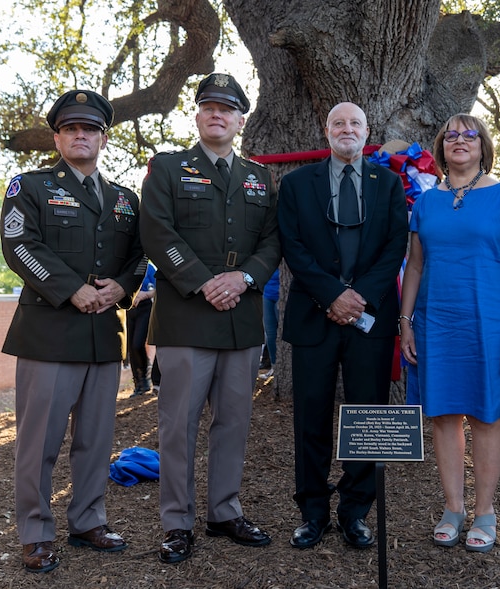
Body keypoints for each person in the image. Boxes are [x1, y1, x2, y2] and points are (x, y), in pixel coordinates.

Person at [0, 90, 143, 573]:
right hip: (49, 333)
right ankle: (36, 533)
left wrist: (119, 287)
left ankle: (87, 520)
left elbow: (140, 257)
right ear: (58, 137)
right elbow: (19, 245)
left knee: (96, 440)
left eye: (90, 129)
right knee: (39, 442)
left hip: (104, 334)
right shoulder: (30, 186)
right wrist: (71, 289)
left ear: (104, 137)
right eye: (71, 129)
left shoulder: (126, 199)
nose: (81, 136)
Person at [140, 73, 281, 563]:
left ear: (241, 120)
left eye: (227, 108)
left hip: (241, 321)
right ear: (197, 116)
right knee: (177, 425)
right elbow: (156, 232)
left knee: (234, 423)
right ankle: (176, 522)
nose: (216, 114)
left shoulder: (260, 177)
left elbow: (272, 242)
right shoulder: (168, 168)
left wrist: (242, 279)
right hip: (185, 319)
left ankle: (224, 511)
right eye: (208, 107)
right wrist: (204, 281)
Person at [398, 114, 500, 553]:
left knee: (486, 415)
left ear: (483, 146)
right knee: (443, 415)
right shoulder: (425, 203)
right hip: (436, 320)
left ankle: (485, 512)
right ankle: (453, 507)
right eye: (450, 135)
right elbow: (415, 266)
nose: (459, 141)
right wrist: (405, 322)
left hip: (492, 323)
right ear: (440, 148)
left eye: (468, 134)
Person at [278, 102, 408, 549]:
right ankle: (312, 512)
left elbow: (394, 248)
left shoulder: (389, 184)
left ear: (366, 131)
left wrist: (359, 298)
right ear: (326, 130)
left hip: (369, 321)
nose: (346, 129)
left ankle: (355, 511)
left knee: (367, 416)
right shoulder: (296, 184)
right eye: (338, 123)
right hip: (314, 314)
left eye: (354, 123)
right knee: (310, 419)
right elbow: (292, 247)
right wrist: (332, 295)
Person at [127, 260, 156, 396]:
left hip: (144, 308)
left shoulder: (149, 267)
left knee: (138, 343)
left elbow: (157, 289)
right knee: (131, 348)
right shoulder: (126, 265)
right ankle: (138, 383)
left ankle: (145, 377)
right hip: (128, 309)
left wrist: (145, 294)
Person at [260, 268, 280, 379]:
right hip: (267, 293)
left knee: (282, 333)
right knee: (270, 334)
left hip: (281, 294)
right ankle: (274, 367)